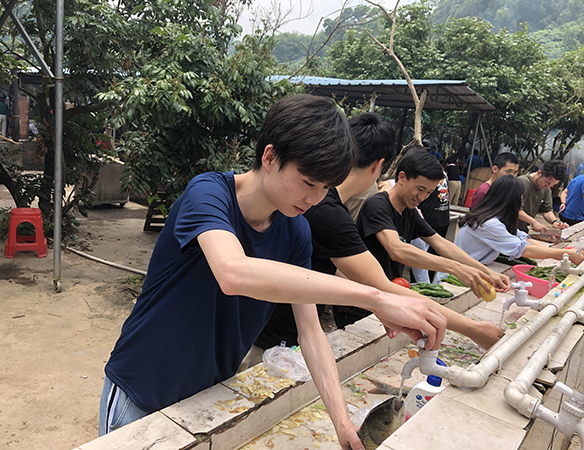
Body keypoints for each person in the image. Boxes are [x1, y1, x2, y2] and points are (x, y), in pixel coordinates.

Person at [99, 95, 447, 449]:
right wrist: (376, 297)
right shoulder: (208, 194)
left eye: (326, 187)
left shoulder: (296, 231)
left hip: (204, 398)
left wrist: (342, 422)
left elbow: (311, 333)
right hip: (141, 389)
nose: (315, 198)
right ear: (269, 157)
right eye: (308, 182)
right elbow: (233, 273)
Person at [255, 114, 502, 355]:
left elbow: (333, 269)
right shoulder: (333, 210)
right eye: (420, 189)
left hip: (290, 330)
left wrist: (379, 302)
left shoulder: (322, 206)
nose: (422, 197)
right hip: (269, 337)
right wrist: (473, 328)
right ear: (379, 166)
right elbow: (389, 267)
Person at [357, 147, 510, 297]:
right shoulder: (377, 205)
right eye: (420, 189)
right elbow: (397, 250)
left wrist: (487, 272)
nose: (422, 197)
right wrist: (455, 268)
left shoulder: (409, 210)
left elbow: (441, 243)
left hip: (386, 290)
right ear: (402, 177)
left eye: (429, 192)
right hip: (363, 291)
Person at [455, 175, 584, 266]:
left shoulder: (498, 218)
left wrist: (562, 252)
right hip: (461, 271)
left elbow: (523, 238)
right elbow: (522, 249)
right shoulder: (489, 223)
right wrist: (564, 253)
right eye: (520, 198)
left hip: (474, 267)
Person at [518, 160, 569, 233]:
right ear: (539, 173)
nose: (548, 186)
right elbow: (515, 210)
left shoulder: (546, 188)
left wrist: (555, 221)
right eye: (547, 182)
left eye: (552, 184)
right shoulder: (521, 183)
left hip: (522, 231)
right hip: (508, 230)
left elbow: (546, 210)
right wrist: (534, 222)